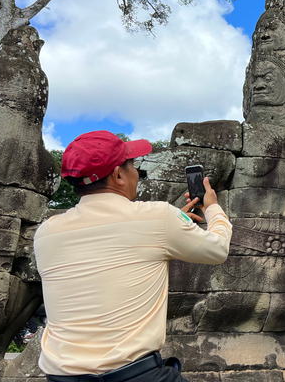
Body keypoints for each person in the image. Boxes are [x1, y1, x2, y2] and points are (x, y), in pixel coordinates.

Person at [34, 130, 232, 382]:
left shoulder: (46, 232)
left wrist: (171, 223)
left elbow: (107, 257)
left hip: (60, 377)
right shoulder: (157, 218)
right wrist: (212, 207)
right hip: (134, 376)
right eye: (133, 166)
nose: (137, 173)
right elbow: (217, 249)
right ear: (118, 175)